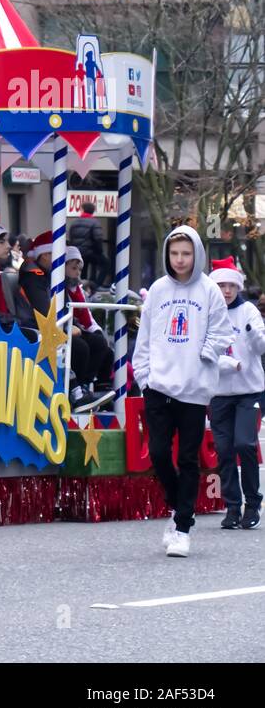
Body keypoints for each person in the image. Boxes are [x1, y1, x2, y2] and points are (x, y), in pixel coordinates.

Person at [132, 225, 233, 558]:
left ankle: (183, 528)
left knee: (188, 458)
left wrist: (206, 353)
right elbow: (144, 336)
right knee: (159, 453)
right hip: (159, 386)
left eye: (186, 254)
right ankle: (178, 509)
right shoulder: (159, 290)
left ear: (197, 255)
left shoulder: (210, 291)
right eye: (174, 253)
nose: (180, 260)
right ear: (166, 254)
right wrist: (144, 376)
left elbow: (222, 332)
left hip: (194, 388)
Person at [207, 260, 265, 530]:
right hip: (218, 393)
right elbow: (204, 354)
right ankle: (232, 506)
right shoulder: (208, 313)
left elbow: (261, 347)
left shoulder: (248, 311)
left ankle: (252, 503)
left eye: (231, 285)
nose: (227, 291)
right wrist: (229, 365)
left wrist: (253, 335)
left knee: (244, 444)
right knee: (224, 451)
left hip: (249, 391)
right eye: (221, 285)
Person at [65, 246, 112, 404]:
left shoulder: (77, 289)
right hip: (64, 329)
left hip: (76, 327)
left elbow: (87, 315)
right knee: (81, 347)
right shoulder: (60, 288)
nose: (78, 272)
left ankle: (98, 386)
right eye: (73, 268)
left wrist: (96, 330)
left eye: (79, 268)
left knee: (102, 345)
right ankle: (77, 389)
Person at [68, 200, 108, 286]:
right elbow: (98, 239)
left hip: (78, 253)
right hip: (90, 252)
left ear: (82, 210)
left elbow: (71, 239)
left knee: (83, 269)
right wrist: (99, 252)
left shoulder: (74, 222)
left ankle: (81, 286)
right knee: (106, 264)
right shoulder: (95, 222)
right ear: (92, 211)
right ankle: (96, 285)